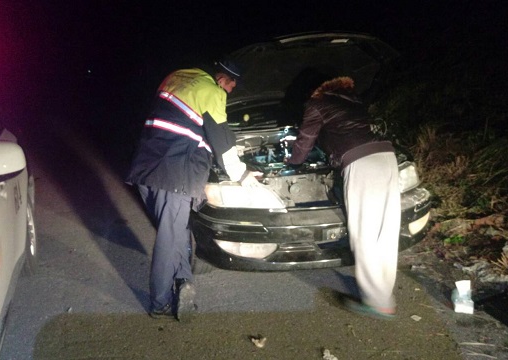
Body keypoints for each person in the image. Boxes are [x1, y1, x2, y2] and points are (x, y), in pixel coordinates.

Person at [126, 58, 261, 321]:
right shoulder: (212, 91)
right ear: (223, 80)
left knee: (176, 229)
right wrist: (243, 175)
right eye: (231, 88)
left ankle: (184, 280)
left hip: (145, 168)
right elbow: (221, 141)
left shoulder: (177, 77)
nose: (228, 93)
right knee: (170, 235)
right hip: (175, 173)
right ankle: (160, 302)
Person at [286, 76, 401, 320]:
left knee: (365, 233)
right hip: (386, 157)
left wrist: (292, 163)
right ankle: (382, 291)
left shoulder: (316, 105)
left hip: (361, 163)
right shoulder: (353, 102)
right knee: (385, 231)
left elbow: (305, 141)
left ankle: (378, 303)